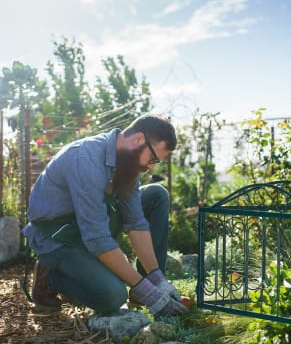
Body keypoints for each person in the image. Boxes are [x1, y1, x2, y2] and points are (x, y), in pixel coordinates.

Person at [22, 114, 188, 318]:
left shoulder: (128, 163)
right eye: (153, 159)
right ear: (138, 140)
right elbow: (97, 238)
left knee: (156, 195)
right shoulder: (86, 159)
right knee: (112, 297)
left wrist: (157, 279)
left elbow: (135, 221)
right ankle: (50, 278)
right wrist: (146, 292)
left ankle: (148, 289)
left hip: (89, 224)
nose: (151, 167)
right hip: (58, 235)